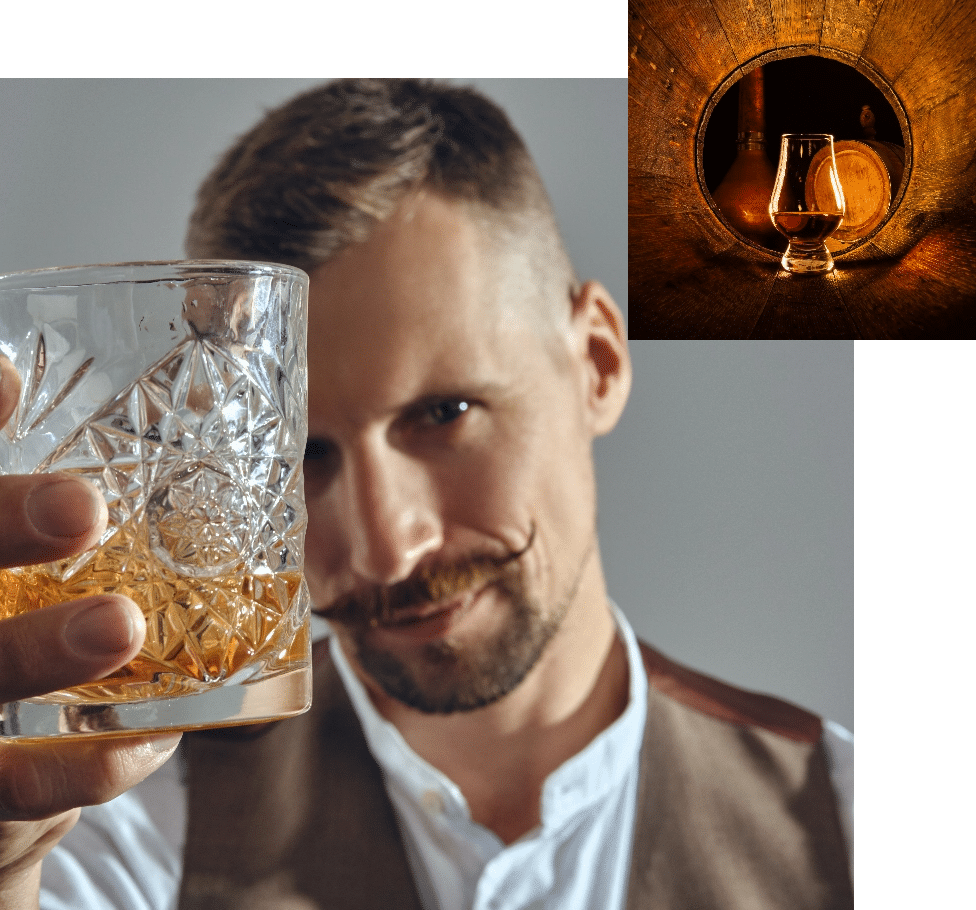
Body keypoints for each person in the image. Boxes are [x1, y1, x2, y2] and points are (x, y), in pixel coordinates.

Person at [0, 79, 854, 910]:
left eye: (443, 414)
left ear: (596, 361)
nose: (384, 547)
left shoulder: (862, 827)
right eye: (306, 457)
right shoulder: (118, 824)